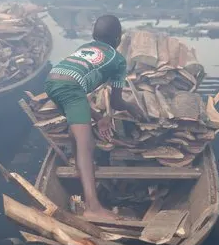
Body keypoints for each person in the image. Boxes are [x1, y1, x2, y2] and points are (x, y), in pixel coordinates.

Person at [44, 15, 145, 221]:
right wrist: (132, 107)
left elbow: (76, 97)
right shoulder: (117, 61)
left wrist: (99, 117)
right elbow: (116, 103)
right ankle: (93, 207)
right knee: (86, 143)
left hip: (53, 80)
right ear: (118, 39)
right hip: (71, 88)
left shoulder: (85, 48)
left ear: (93, 36)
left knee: (77, 130)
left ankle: (77, 166)